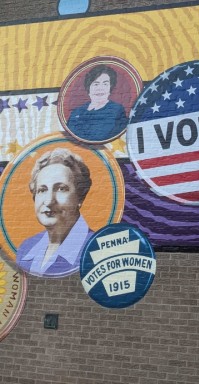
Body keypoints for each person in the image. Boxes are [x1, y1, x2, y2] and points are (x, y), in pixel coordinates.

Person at [17, 148, 94, 278]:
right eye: (42, 190)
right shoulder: (26, 248)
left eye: (61, 189)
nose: (49, 201)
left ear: (80, 197)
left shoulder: (96, 248)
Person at [67, 65, 127, 142]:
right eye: (96, 84)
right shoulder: (76, 112)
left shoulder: (117, 110)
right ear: (89, 87)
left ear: (110, 87)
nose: (100, 88)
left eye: (105, 84)